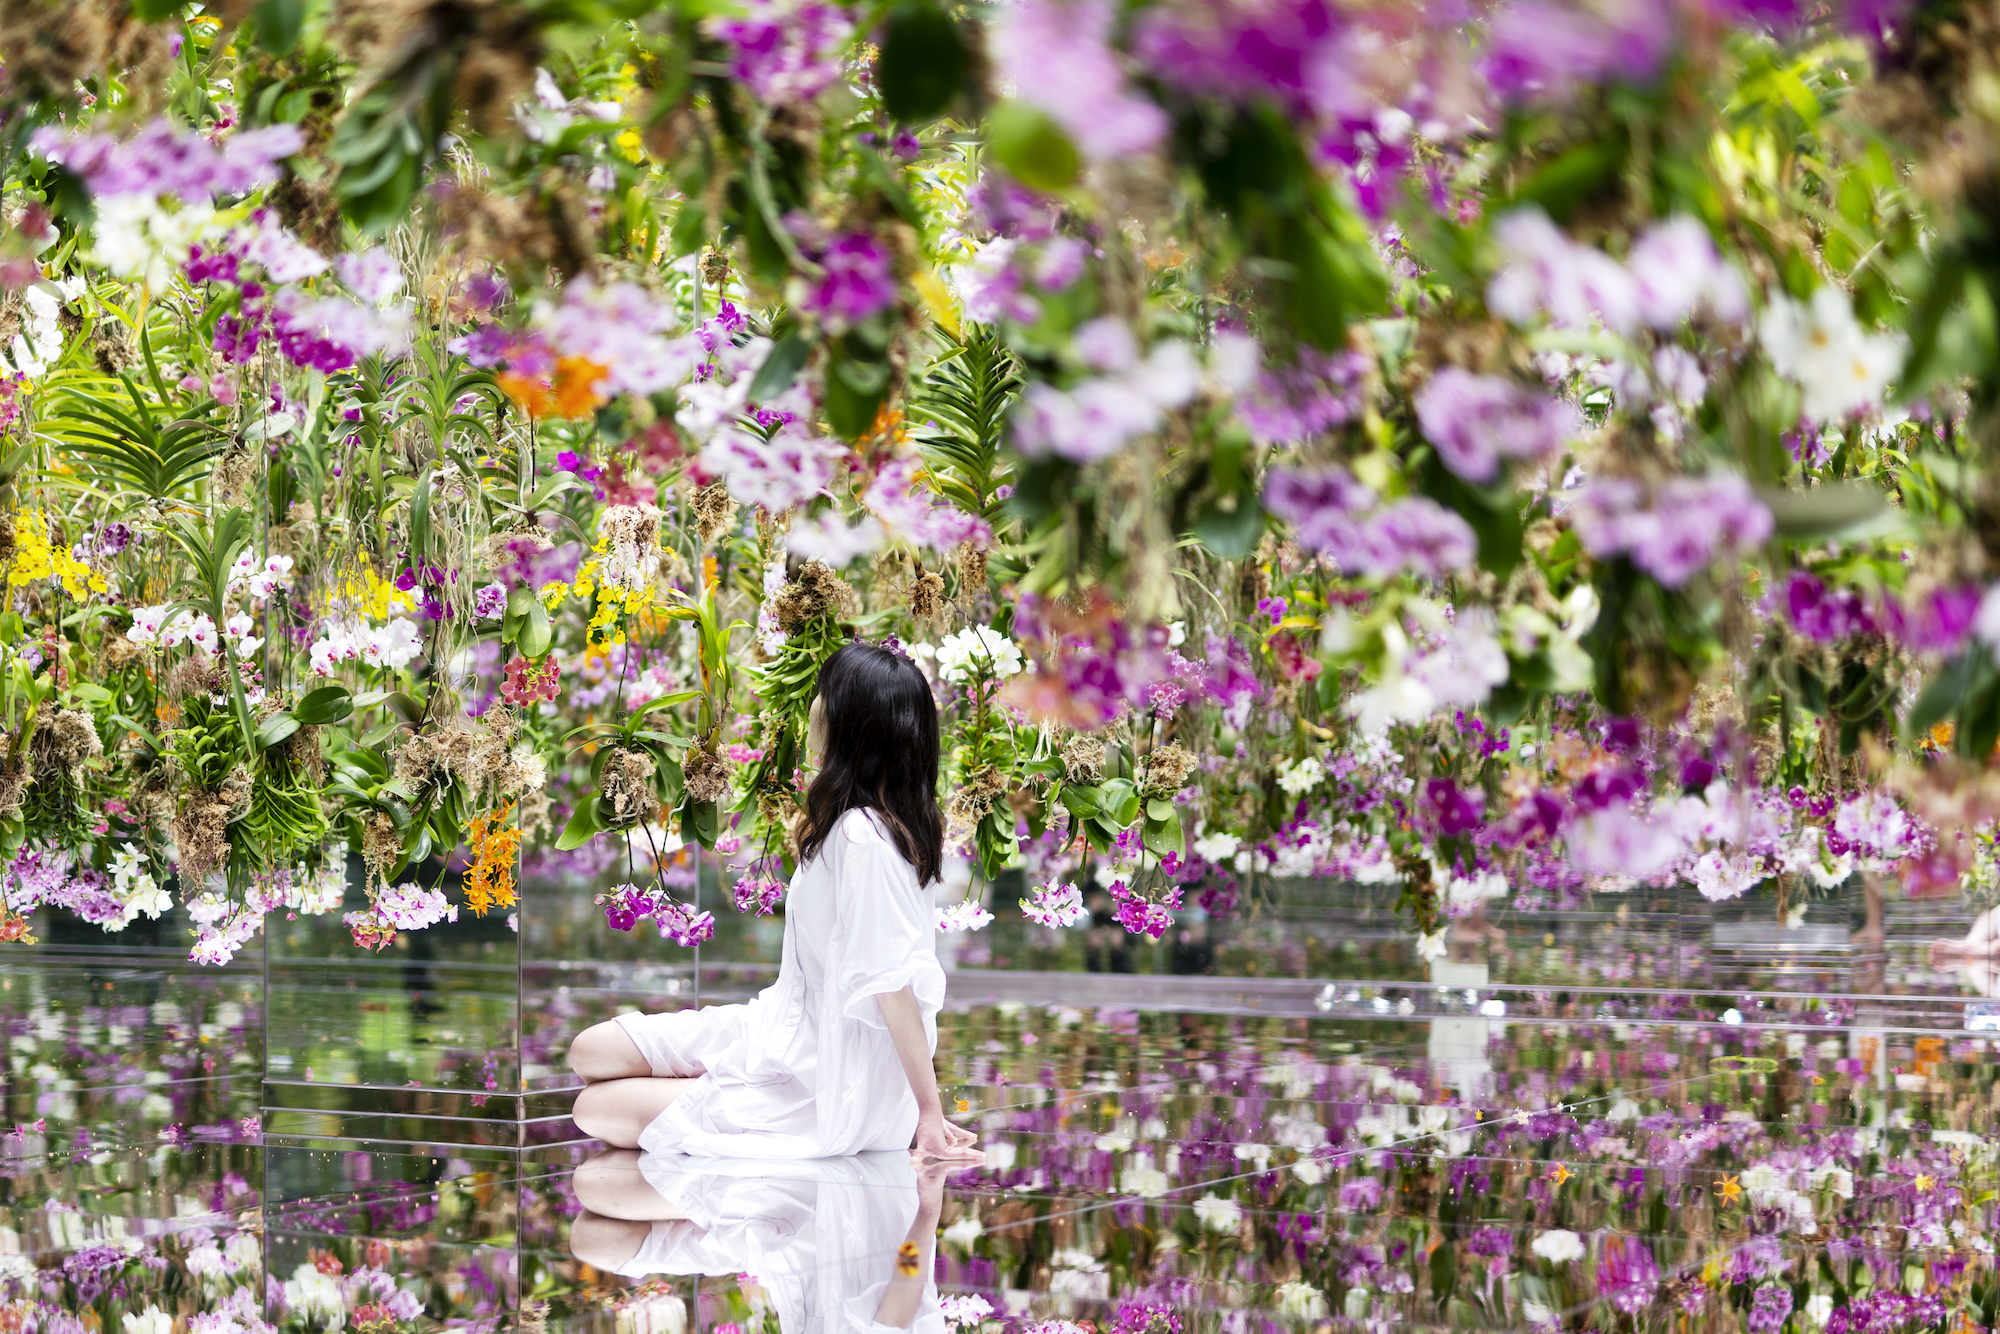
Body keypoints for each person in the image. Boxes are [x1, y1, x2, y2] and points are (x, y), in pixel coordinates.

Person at [566, 640, 982, 1163]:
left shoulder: (862, 836)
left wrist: (924, 1111)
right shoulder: (863, 824)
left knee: (597, 1108)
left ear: (852, 726)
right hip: (778, 1029)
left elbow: (893, 984)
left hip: (825, 1080)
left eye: (823, 696)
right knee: (592, 1050)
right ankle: (716, 1090)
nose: (813, 709)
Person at [568, 1148, 952, 1334]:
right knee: (593, 1182)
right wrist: (927, 1211)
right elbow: (903, 1291)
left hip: (761, 1254)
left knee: (589, 1240)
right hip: (814, 1208)